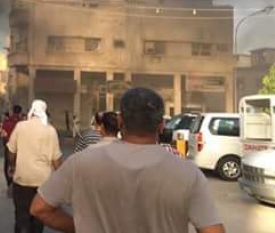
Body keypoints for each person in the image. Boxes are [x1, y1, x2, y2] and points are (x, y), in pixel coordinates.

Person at [30, 87, 225, 233]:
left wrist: (81, 227)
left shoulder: (81, 163)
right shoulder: (188, 173)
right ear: (161, 125)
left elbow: (40, 209)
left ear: (121, 121)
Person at [7, 100, 62, 233]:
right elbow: (56, 160)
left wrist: (12, 165)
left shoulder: (21, 126)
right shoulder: (50, 130)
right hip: (43, 182)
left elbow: (11, 151)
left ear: (31, 110)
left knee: (21, 215)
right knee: (38, 216)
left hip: (22, 179)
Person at [1, 105, 23, 187]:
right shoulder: (22, 123)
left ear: (12, 111)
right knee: (19, 165)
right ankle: (17, 183)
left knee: (8, 165)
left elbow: (3, 135)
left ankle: (9, 183)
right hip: (19, 147)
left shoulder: (6, 122)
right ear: (20, 113)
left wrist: (6, 143)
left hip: (8, 146)